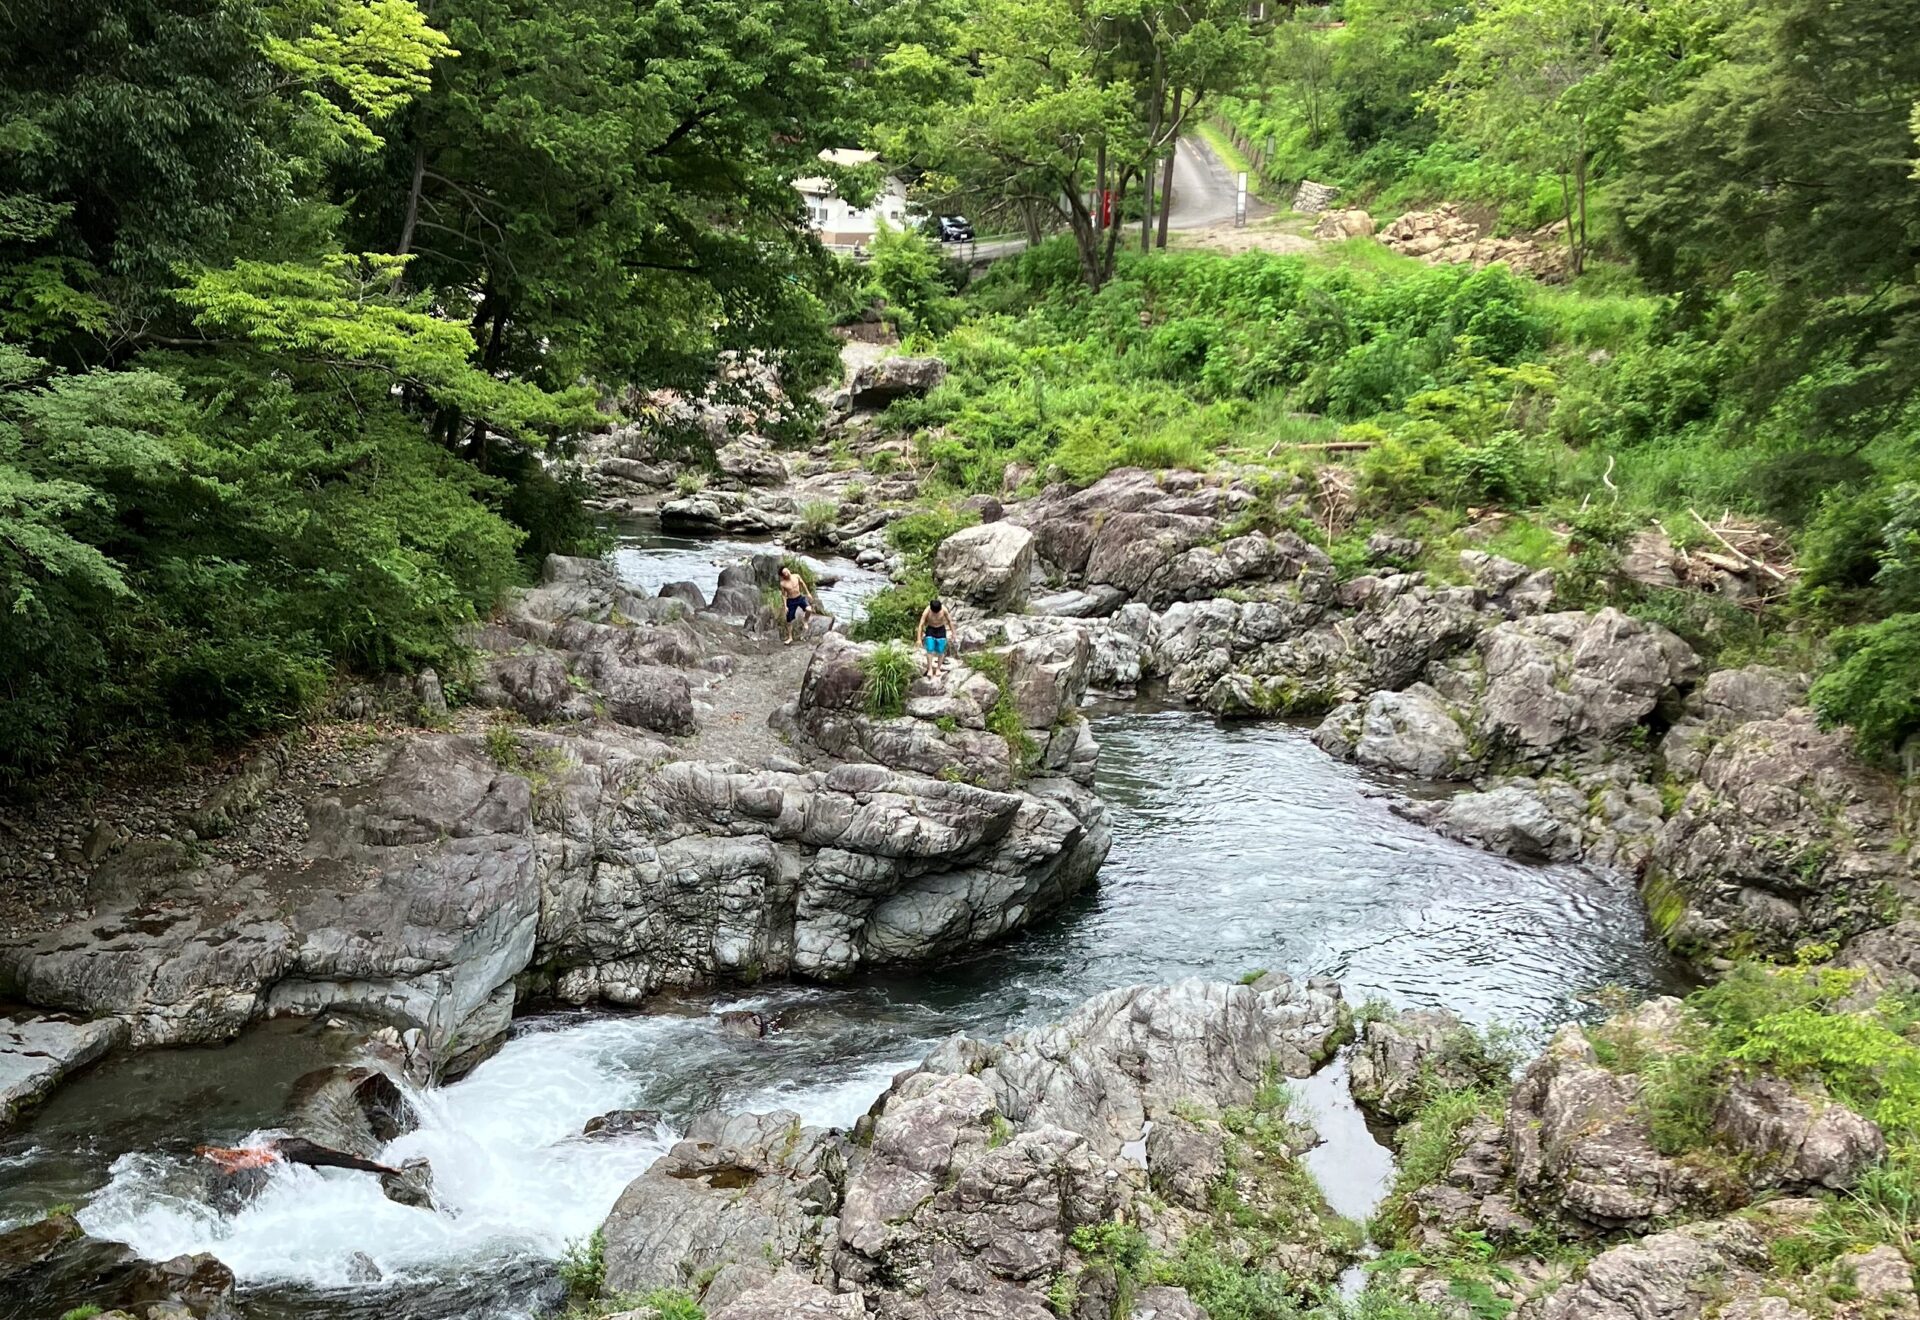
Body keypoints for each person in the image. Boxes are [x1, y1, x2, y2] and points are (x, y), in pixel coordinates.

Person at [916, 598, 952, 677]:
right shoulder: (927, 611)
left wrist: (953, 633)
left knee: (941, 650)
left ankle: (938, 668)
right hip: (931, 629)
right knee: (930, 649)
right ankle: (930, 669)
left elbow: (949, 621)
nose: (936, 614)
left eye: (937, 612)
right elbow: (921, 624)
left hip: (941, 629)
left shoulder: (944, 610)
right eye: (934, 612)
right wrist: (919, 639)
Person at [779, 566, 813, 645]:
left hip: (799, 597)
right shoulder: (783, 583)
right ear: (783, 575)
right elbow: (783, 595)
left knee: (809, 609)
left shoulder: (796, 576)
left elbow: (803, 584)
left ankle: (805, 620)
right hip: (791, 601)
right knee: (789, 620)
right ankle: (790, 637)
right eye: (785, 573)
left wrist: (808, 593)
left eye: (787, 571)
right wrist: (785, 606)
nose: (788, 573)